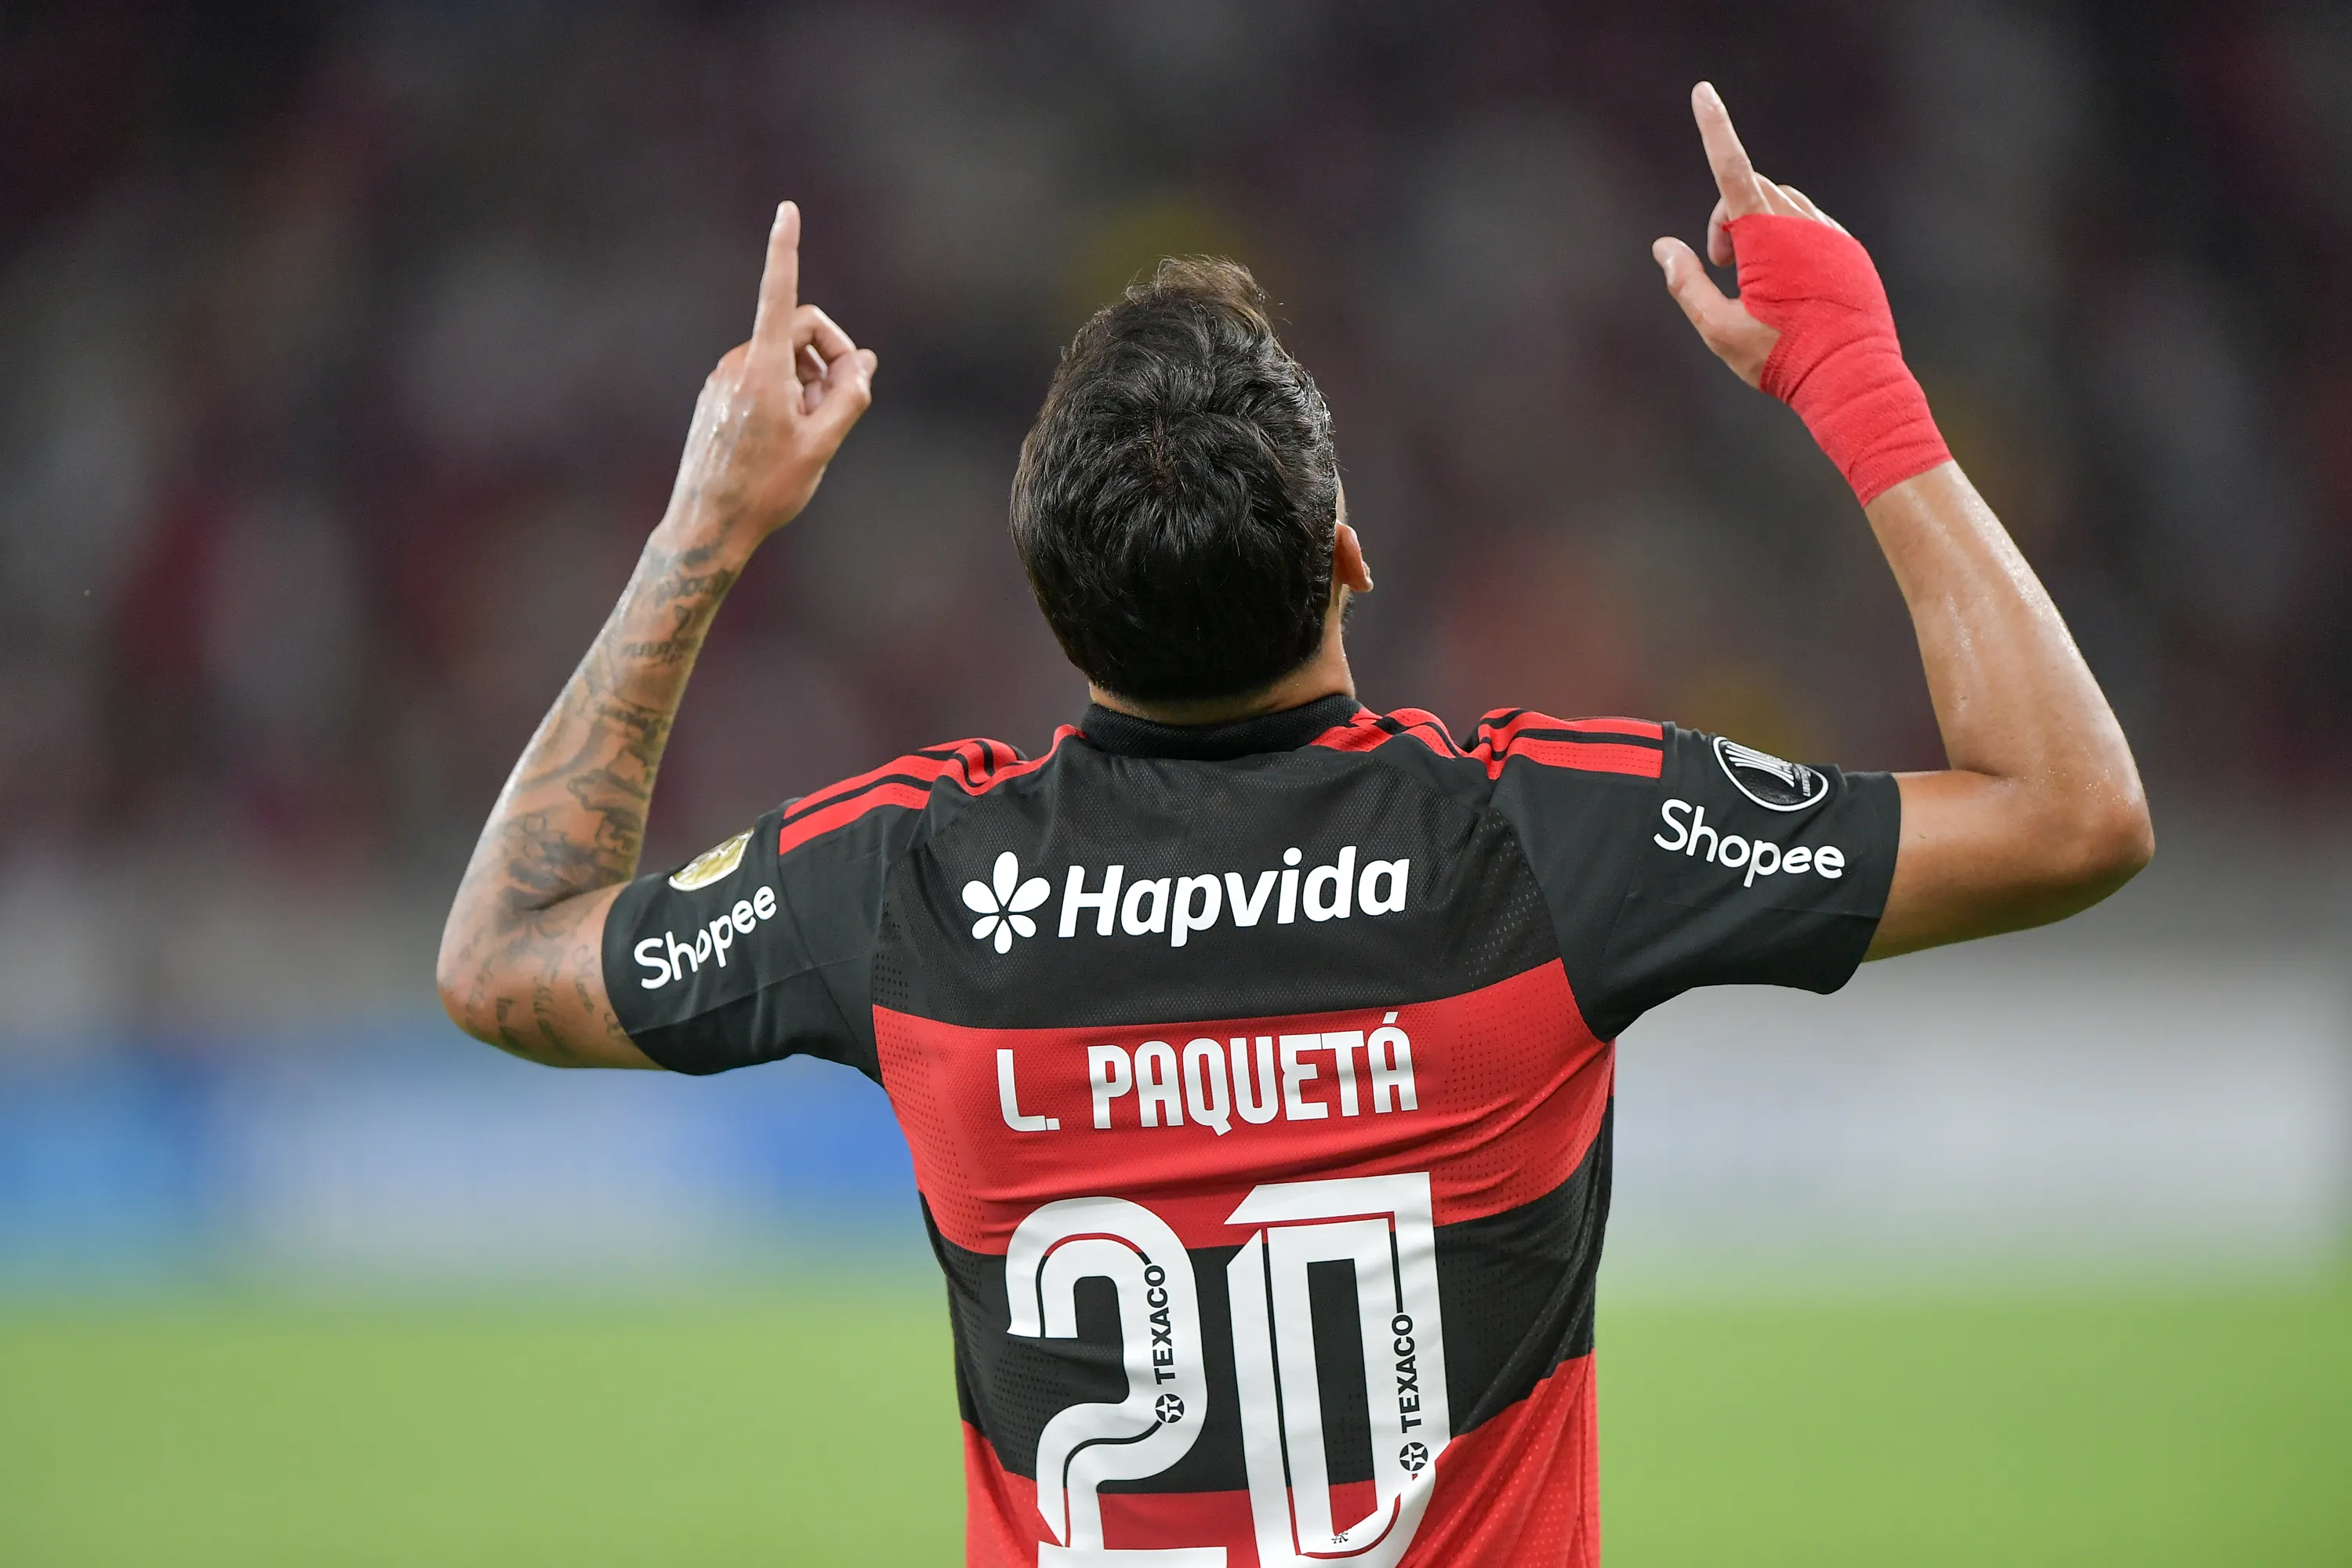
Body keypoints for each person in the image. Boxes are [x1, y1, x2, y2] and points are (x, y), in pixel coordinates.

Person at [437, 83, 2151, 1567]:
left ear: (1057, 609)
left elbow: (506, 954)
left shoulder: (911, 886)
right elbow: (2071, 811)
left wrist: (706, 527)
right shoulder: (1542, 838)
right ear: (1345, 553)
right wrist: (1855, 375)